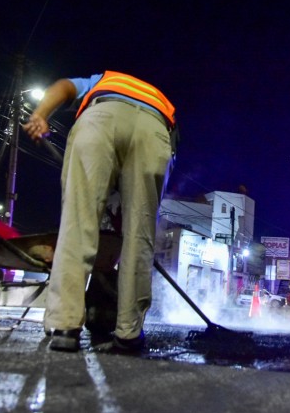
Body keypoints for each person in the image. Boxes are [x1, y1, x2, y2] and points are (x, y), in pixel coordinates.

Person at [23, 71, 177, 353]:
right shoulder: (159, 99)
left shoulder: (102, 80)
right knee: (140, 236)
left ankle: (66, 327)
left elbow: (64, 86)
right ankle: (129, 334)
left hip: (101, 119)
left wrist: (41, 114)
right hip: (155, 128)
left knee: (78, 224)